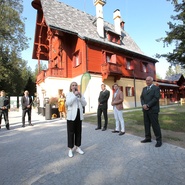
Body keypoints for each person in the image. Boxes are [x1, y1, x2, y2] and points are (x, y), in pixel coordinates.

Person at [65, 82, 87, 158]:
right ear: (71, 87)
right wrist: (75, 95)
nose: (74, 86)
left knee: (78, 132)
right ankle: (70, 149)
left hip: (79, 115)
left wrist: (80, 96)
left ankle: (78, 147)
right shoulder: (69, 94)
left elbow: (84, 104)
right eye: (73, 85)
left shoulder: (80, 94)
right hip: (71, 116)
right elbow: (68, 103)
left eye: (75, 85)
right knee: (71, 132)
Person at [140, 76, 162, 147]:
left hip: (153, 110)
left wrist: (148, 105)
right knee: (146, 124)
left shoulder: (156, 88)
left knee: (155, 125)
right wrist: (143, 105)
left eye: (148, 80)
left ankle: (158, 140)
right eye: (146, 80)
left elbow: (156, 98)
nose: (147, 82)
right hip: (145, 110)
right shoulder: (144, 89)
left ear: (152, 81)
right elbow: (142, 97)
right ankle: (148, 138)